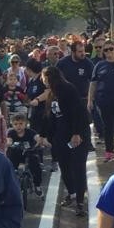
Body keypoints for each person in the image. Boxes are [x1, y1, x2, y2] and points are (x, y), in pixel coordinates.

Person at [43, 67, 90, 217]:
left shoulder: (67, 89)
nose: (43, 81)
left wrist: (76, 133)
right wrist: (46, 136)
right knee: (65, 166)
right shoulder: (51, 94)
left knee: (78, 167)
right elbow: (51, 117)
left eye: (44, 78)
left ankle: (80, 203)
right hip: (60, 136)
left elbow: (78, 112)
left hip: (76, 134)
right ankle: (72, 193)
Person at [6, 112, 43, 196]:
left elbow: (37, 137)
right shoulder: (11, 133)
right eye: (15, 124)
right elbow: (9, 140)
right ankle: (10, 186)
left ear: (26, 124)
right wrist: (8, 143)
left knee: (36, 165)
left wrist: (39, 141)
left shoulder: (30, 132)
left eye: (21, 123)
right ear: (12, 125)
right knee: (9, 166)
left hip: (29, 153)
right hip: (16, 154)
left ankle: (37, 185)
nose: (18, 126)